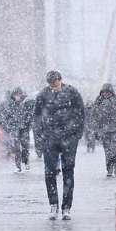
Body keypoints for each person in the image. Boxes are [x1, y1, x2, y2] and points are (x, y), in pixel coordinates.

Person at [34, 70, 84, 220]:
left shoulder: (72, 92)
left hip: (69, 138)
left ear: (60, 80)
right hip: (50, 138)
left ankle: (67, 207)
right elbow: (36, 117)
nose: (53, 87)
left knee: (68, 171)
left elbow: (81, 113)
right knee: (49, 172)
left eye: (55, 83)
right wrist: (40, 137)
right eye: (51, 84)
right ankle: (53, 205)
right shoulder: (43, 95)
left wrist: (77, 133)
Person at [92, 83, 116, 178]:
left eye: (108, 92)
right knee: (107, 150)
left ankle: (115, 164)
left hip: (115, 128)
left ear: (111, 92)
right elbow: (94, 116)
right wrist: (96, 130)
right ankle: (109, 168)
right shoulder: (99, 100)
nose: (106, 93)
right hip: (104, 129)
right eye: (104, 92)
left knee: (115, 148)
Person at [0, 87, 32, 173]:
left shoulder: (26, 103)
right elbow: (4, 117)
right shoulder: (10, 104)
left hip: (24, 128)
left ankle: (26, 161)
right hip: (14, 128)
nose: (17, 96)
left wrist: (28, 124)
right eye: (15, 94)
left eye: (19, 94)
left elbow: (30, 115)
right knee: (16, 148)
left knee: (25, 146)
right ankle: (18, 166)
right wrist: (9, 127)